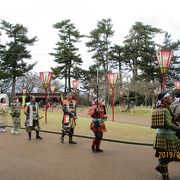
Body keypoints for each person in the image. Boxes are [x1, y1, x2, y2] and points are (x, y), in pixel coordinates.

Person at [151, 91, 180, 180]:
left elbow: (170, 119)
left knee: (174, 155)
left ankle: (160, 167)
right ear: (165, 99)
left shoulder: (164, 108)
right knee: (167, 155)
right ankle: (165, 175)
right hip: (165, 136)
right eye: (169, 97)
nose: (171, 98)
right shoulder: (164, 109)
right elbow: (168, 124)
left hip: (166, 135)